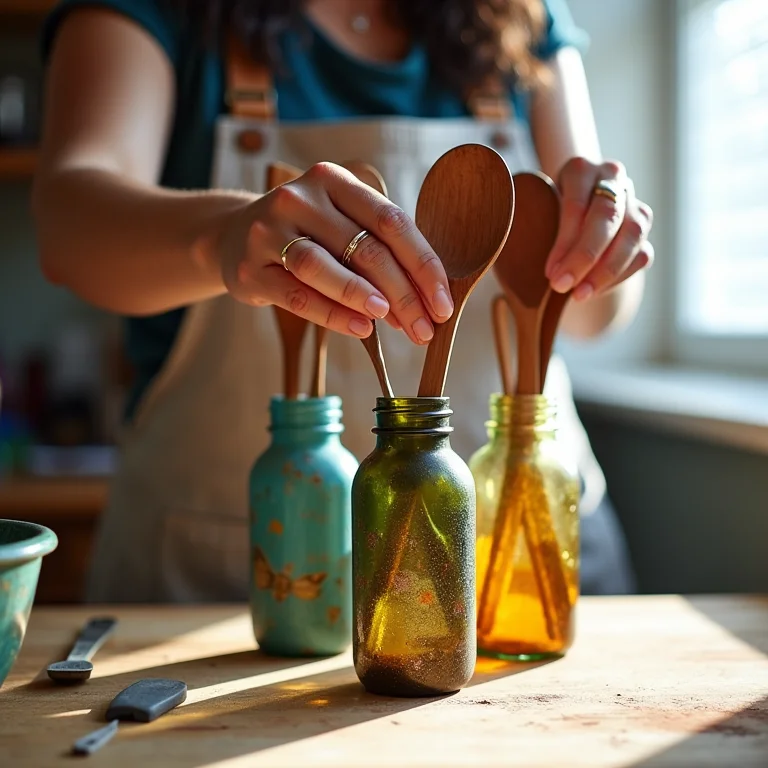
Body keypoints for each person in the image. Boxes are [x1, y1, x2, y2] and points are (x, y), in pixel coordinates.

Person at [35, 0, 653, 602]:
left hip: (523, 551)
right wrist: (223, 236)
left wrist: (600, 243)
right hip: (217, 571)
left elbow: (595, 315)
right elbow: (66, 226)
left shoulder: (519, 15)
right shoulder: (169, 13)